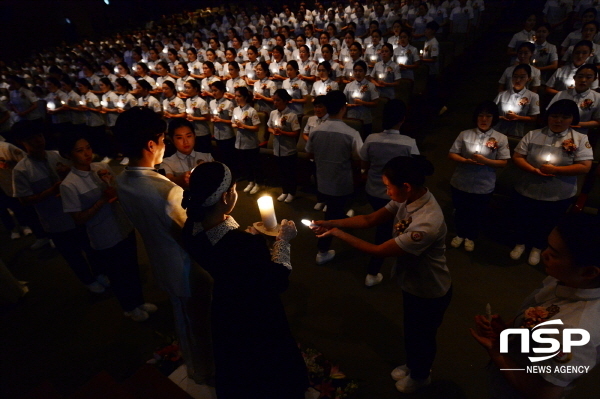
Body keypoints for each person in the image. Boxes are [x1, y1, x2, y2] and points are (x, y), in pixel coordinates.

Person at [311, 155, 452, 394]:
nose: (386, 191)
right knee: (412, 330)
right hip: (411, 281)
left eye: (388, 186)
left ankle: (420, 376)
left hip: (429, 289)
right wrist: (330, 222)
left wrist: (336, 232)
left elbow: (377, 250)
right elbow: (369, 219)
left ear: (406, 186)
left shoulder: (426, 223)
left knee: (423, 335)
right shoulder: (409, 197)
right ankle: (413, 365)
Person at [181, 161, 308, 398]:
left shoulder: (192, 226)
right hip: (255, 312)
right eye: (234, 189)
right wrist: (283, 241)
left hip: (225, 305)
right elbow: (277, 280)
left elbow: (226, 258)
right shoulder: (244, 246)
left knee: (235, 359)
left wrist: (250, 238)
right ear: (226, 197)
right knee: (264, 358)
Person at [114, 107, 213, 384]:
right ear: (151, 144)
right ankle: (205, 371)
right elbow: (194, 236)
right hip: (186, 267)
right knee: (200, 323)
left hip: (159, 259)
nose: (165, 145)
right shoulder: (167, 191)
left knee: (183, 319)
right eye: (163, 139)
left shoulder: (121, 180)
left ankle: (193, 366)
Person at [471, 212, 600, 399]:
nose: (544, 254)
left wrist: (497, 354)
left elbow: (544, 393)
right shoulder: (568, 278)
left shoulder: (572, 331)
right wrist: (510, 332)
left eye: (554, 253)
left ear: (589, 272)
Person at [59, 134, 157, 322]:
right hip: (103, 235)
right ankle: (129, 308)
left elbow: (118, 191)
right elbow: (78, 219)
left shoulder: (101, 168)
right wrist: (102, 201)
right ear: (68, 155)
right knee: (117, 274)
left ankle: (139, 301)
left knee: (131, 268)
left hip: (123, 225)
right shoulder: (69, 184)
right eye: (80, 150)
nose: (87, 153)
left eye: (88, 147)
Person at [12, 121, 105, 293]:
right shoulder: (22, 170)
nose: (39, 141)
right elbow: (24, 200)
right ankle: (88, 281)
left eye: (39, 136)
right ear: (21, 142)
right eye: (32, 139)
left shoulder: (57, 156)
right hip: (55, 220)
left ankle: (99, 273)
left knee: (90, 245)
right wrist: (51, 191)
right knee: (73, 255)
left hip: (78, 212)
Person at [510, 99, 593, 266]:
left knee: (548, 221)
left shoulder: (580, 139)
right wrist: (533, 170)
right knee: (524, 217)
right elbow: (518, 156)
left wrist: (556, 171)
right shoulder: (533, 135)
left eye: (565, 117)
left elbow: (585, 166)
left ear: (572, 119)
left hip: (559, 192)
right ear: (548, 117)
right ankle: (520, 243)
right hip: (528, 187)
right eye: (554, 116)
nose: (558, 120)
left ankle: (538, 247)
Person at [359, 99, 419, 286]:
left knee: (380, 221)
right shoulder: (409, 143)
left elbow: (364, 163)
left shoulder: (371, 139)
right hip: (395, 195)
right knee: (384, 232)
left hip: (373, 190)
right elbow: (414, 169)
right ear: (402, 119)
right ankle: (372, 272)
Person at [305, 90, 363, 264]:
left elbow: (309, 153)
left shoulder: (316, 131)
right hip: (341, 182)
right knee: (330, 216)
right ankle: (322, 250)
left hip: (323, 180)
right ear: (344, 108)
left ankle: (343, 220)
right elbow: (358, 158)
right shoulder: (351, 133)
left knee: (333, 208)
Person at [448, 101, 510, 252]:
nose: (484, 119)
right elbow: (452, 153)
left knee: (477, 212)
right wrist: (465, 160)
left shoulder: (500, 138)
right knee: (461, 209)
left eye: (488, 116)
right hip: (461, 180)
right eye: (481, 115)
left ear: (494, 118)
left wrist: (485, 161)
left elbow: (503, 162)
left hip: (484, 183)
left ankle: (471, 236)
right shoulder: (465, 134)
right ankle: (460, 233)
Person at [267, 89, 301, 203]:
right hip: (277, 148)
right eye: (274, 100)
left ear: (285, 101)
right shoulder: (273, 113)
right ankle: (285, 191)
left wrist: (283, 133)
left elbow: (296, 133)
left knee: (290, 172)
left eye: (278, 100)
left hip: (288, 149)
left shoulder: (292, 115)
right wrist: (273, 131)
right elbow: (269, 127)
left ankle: (292, 192)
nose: (275, 103)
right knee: (281, 172)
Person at [547, 63, 600, 135]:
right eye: (580, 76)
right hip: (557, 132)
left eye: (588, 77)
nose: (583, 80)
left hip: (581, 133)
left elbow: (598, 121)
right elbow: (549, 114)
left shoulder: (597, 97)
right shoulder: (561, 94)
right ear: (575, 77)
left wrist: (576, 123)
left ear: (594, 79)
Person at [160, 118, 213, 189]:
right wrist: (180, 179)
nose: (185, 142)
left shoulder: (207, 157)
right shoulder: (167, 162)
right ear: (172, 140)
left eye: (189, 136)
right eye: (179, 138)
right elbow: (168, 180)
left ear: (194, 136)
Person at [494, 64, 541, 138]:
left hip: (519, 133)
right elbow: (492, 112)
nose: (518, 80)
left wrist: (517, 117)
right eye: (515, 76)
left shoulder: (533, 96)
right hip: (499, 131)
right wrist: (502, 117)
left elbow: (534, 118)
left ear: (529, 78)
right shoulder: (502, 94)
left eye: (522, 77)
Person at [232, 87, 262, 195]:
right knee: (245, 164)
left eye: (239, 96)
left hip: (250, 142)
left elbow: (256, 128)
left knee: (253, 164)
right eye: (236, 96)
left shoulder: (251, 110)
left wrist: (243, 126)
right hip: (239, 141)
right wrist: (237, 125)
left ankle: (257, 183)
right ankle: (250, 181)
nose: (237, 98)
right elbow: (232, 123)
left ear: (245, 97)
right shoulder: (236, 109)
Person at [344, 60, 379, 138]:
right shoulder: (348, 86)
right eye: (355, 71)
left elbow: (375, 103)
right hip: (351, 118)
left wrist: (362, 103)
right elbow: (343, 102)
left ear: (365, 72)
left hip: (365, 119)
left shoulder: (371, 86)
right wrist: (348, 105)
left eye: (360, 71)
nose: (357, 73)